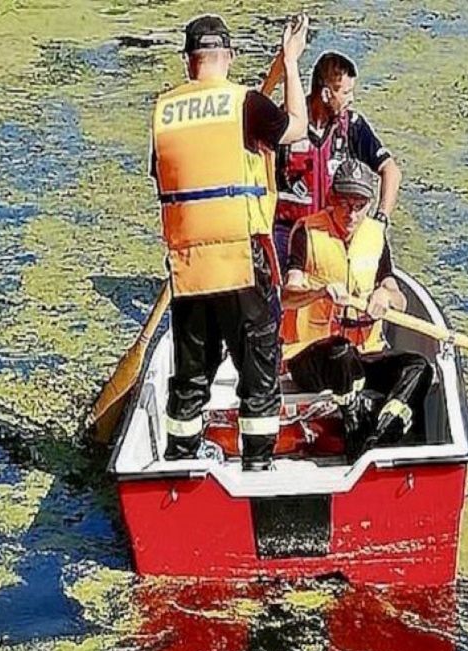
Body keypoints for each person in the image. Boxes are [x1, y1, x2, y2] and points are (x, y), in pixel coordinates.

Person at [151, 13, 310, 471]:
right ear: (229, 57)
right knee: (258, 375)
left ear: (188, 61)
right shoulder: (246, 104)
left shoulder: (164, 113)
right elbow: (295, 127)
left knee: (192, 378)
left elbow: (167, 178)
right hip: (242, 259)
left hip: (189, 266)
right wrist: (293, 62)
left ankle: (180, 463)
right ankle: (257, 465)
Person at [280, 160, 431, 459]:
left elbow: (397, 297)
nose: (351, 213)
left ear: (369, 204)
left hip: (365, 354)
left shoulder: (375, 236)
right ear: (332, 198)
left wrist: (384, 296)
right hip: (311, 356)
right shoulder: (307, 232)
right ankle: (354, 425)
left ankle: (381, 433)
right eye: (345, 203)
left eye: (360, 205)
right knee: (340, 350)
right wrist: (319, 291)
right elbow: (287, 295)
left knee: (419, 367)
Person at [273, 50, 402, 271]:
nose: (351, 99)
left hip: (332, 233)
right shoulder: (285, 123)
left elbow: (391, 170)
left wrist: (381, 219)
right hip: (288, 234)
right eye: (346, 92)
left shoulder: (352, 126)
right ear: (325, 94)